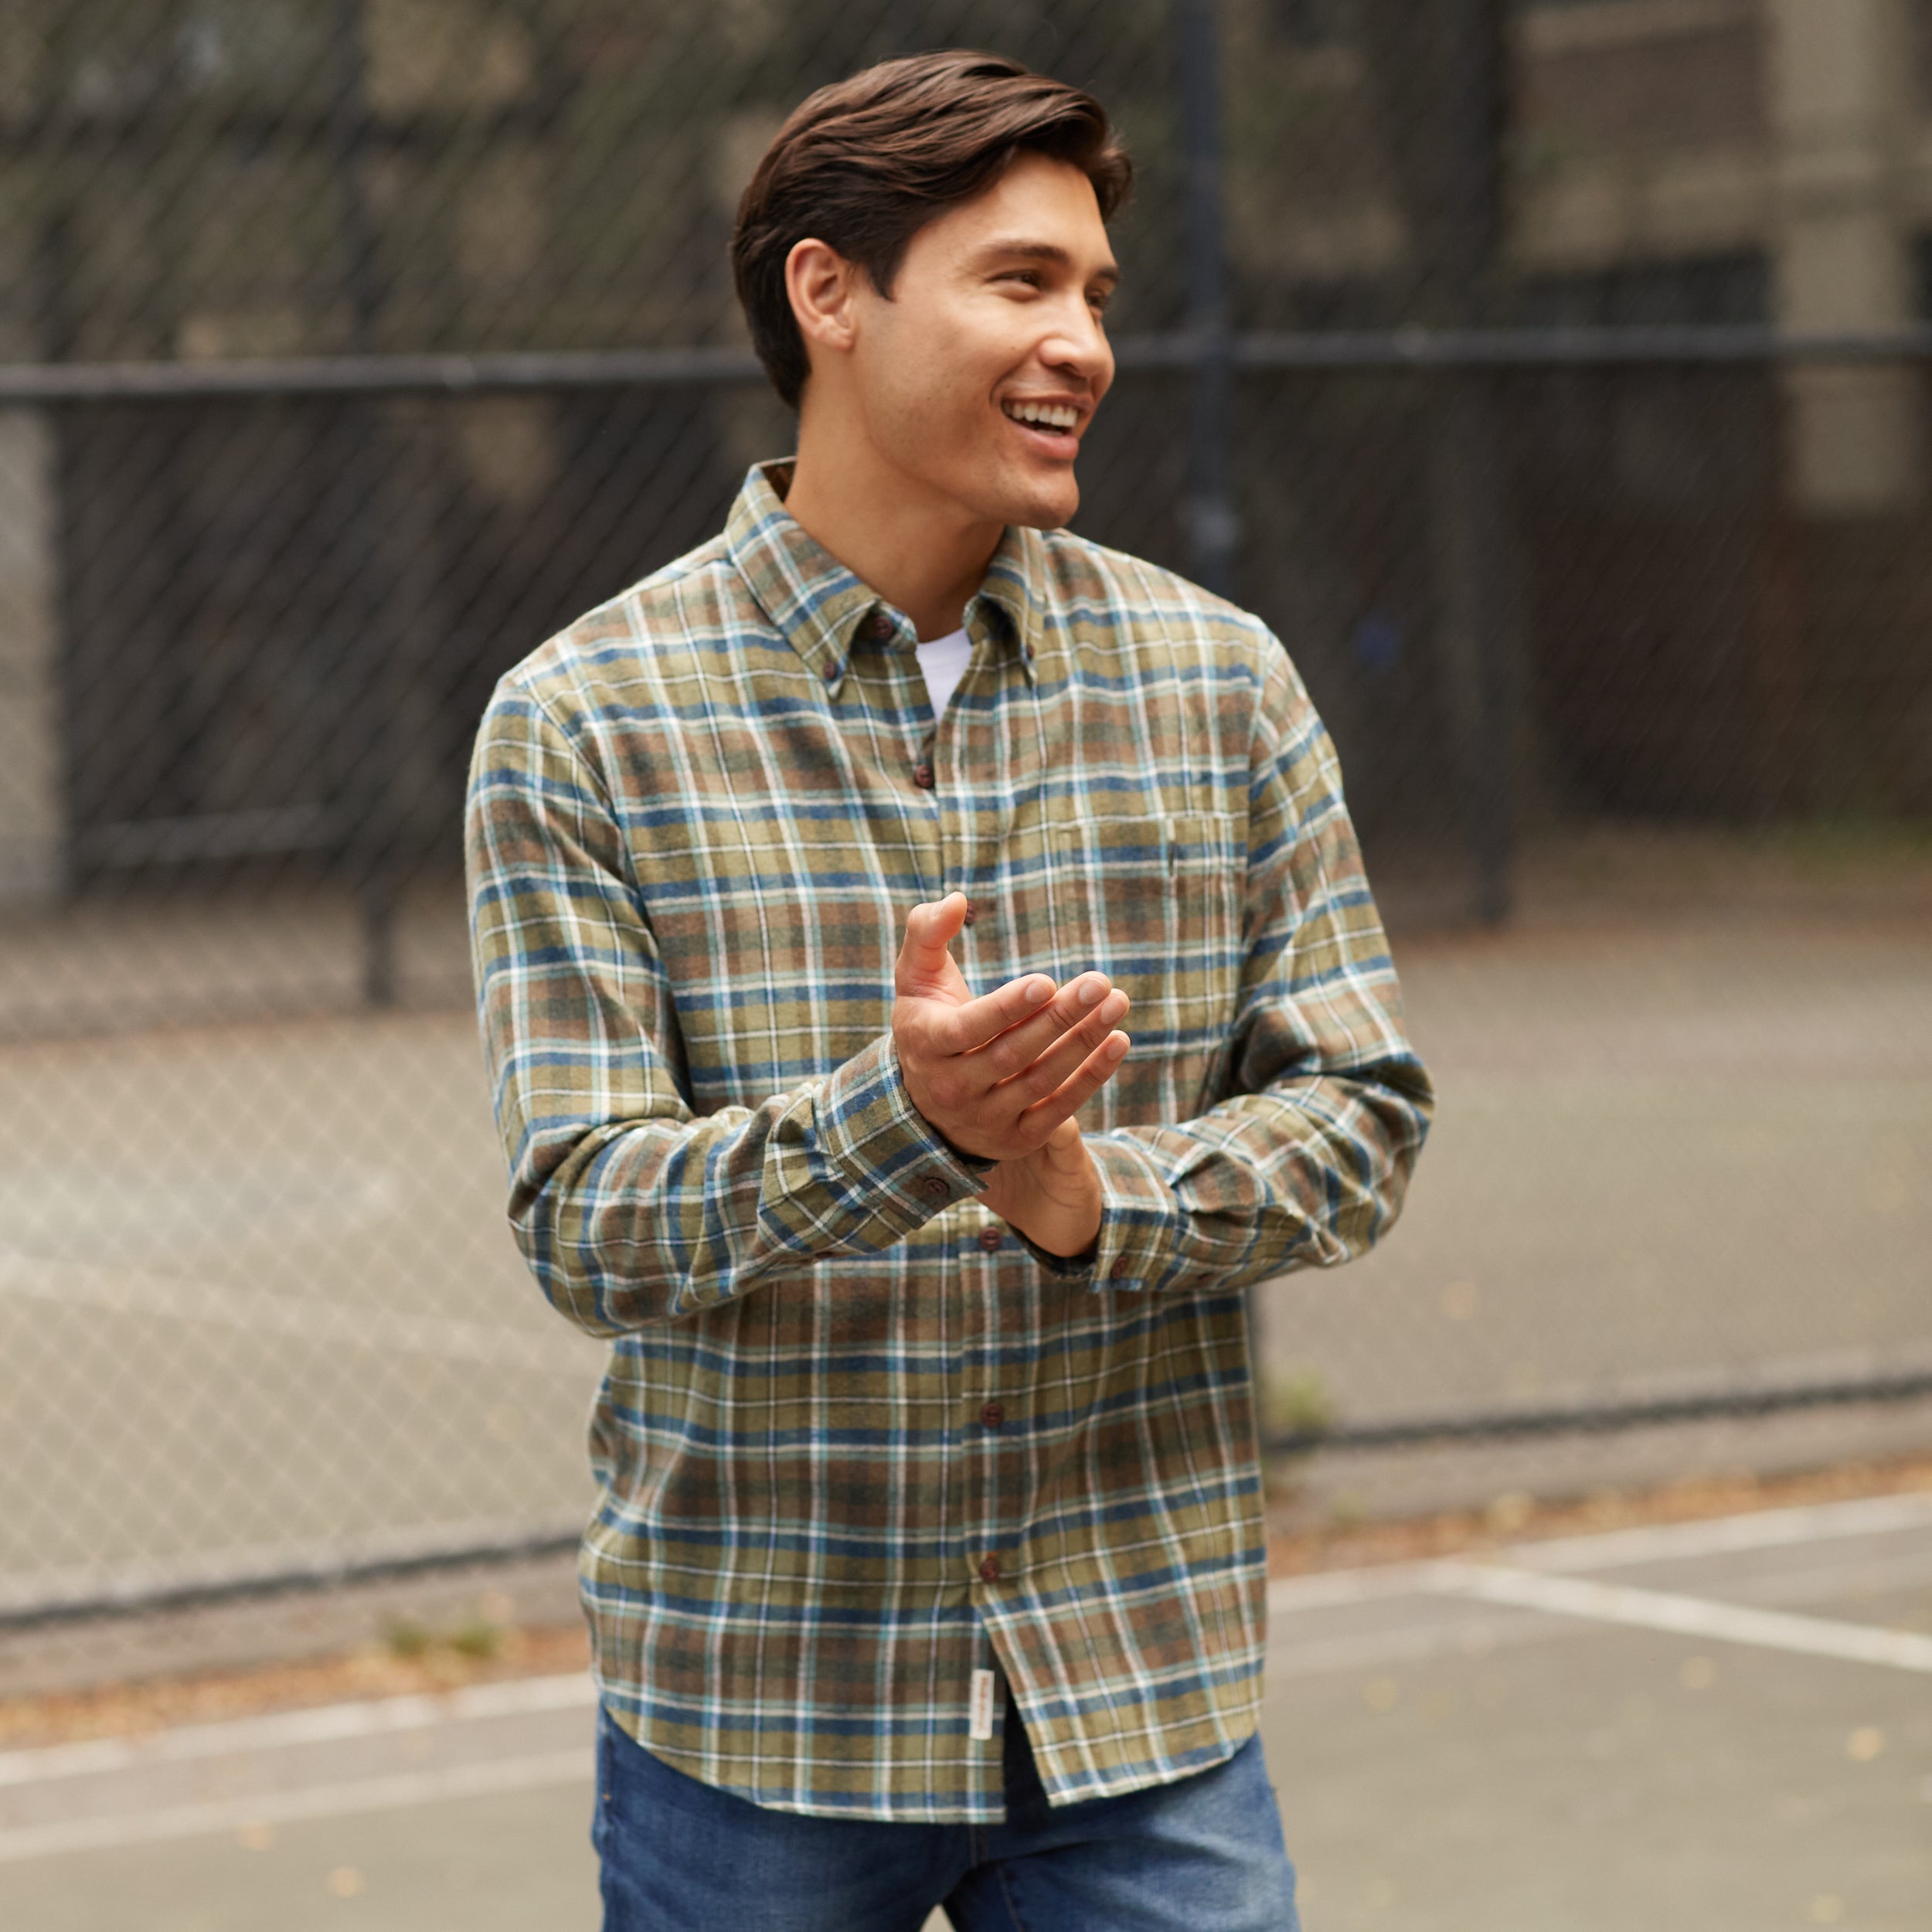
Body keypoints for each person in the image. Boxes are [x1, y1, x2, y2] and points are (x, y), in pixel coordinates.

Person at [464, 47, 1433, 1932]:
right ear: (829, 293)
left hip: (1136, 1701)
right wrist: (897, 1124)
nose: (1082, 343)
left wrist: (1092, 1199)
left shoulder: (1218, 680)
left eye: (1095, 294)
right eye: (1019, 281)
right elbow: (583, 1216)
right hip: (756, 1716)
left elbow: (1360, 1117)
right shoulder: (581, 722)